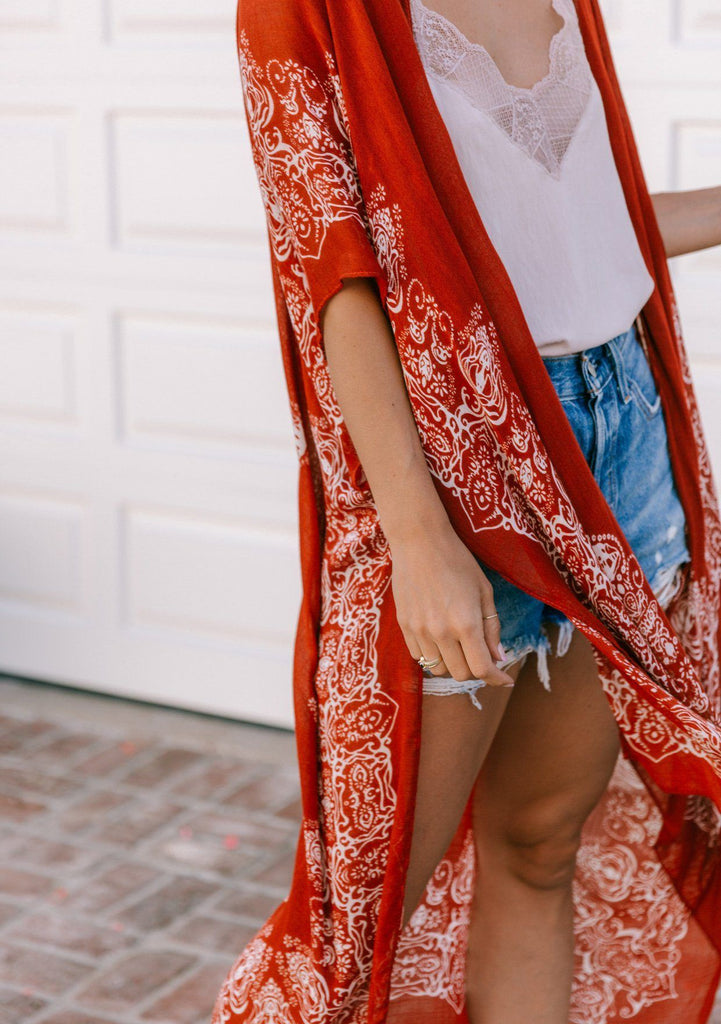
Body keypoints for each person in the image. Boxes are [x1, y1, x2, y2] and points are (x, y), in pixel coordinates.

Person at [213, 2, 721, 1022]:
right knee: (365, 910)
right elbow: (334, 269)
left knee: (539, 841)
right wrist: (416, 537)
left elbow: (582, 225)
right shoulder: (304, 12)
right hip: (455, 467)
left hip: (622, 445)